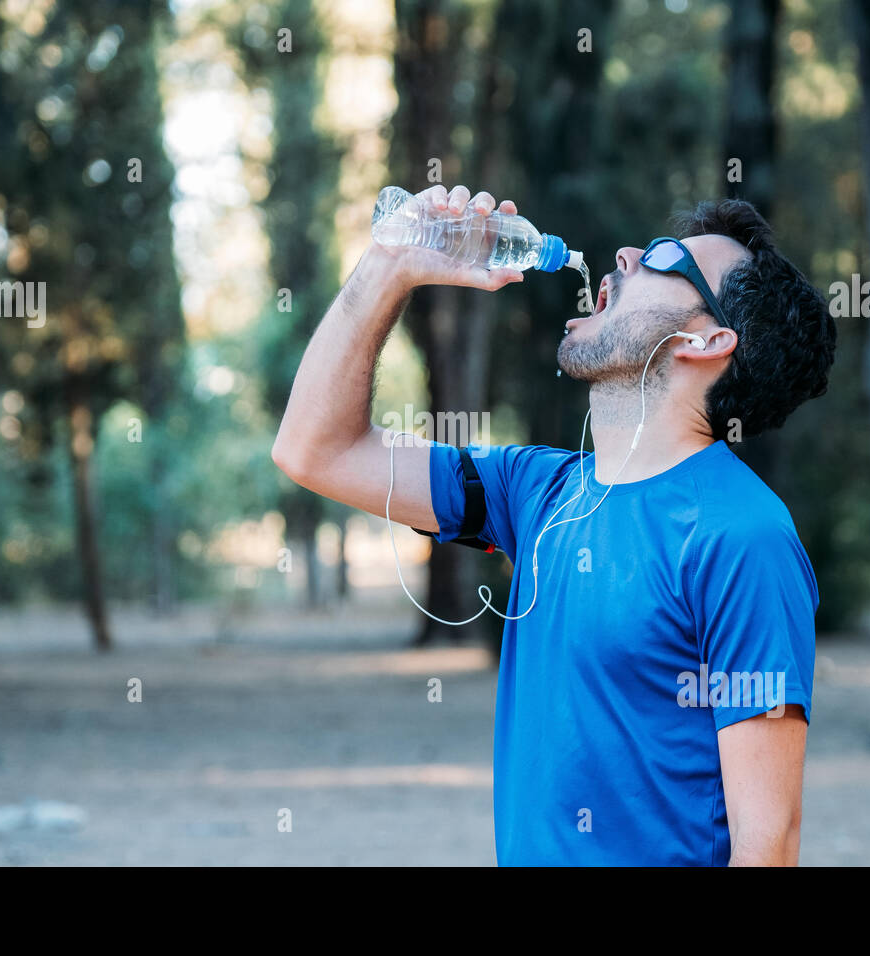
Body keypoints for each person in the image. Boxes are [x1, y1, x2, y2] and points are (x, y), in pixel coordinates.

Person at [272, 184, 837, 865]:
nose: (627, 254)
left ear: (707, 339)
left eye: (663, 258)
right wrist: (390, 265)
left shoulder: (742, 538)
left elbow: (768, 843)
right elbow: (313, 448)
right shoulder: (534, 491)